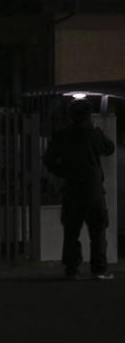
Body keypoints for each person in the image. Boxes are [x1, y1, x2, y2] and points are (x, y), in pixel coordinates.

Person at [43, 98, 116, 280]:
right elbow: (109, 148)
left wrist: (65, 172)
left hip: (72, 188)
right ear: (88, 116)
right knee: (97, 231)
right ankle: (98, 269)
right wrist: (97, 131)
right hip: (93, 190)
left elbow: (49, 160)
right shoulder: (93, 134)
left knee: (71, 232)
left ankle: (72, 269)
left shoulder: (63, 135)